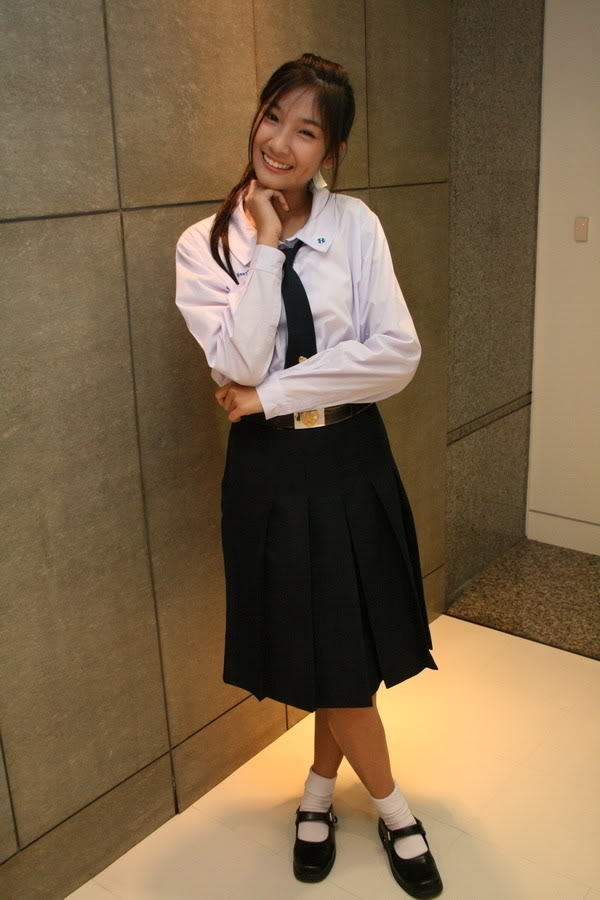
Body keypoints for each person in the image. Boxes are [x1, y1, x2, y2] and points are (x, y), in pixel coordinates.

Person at [175, 52, 443, 897]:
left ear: (332, 151)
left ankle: (322, 795)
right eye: (272, 118)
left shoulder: (355, 225)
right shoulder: (206, 243)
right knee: (328, 643)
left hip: (354, 458)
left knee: (346, 644)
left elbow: (395, 356)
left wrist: (272, 394)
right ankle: (393, 808)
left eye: (307, 131)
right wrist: (262, 247)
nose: (280, 143)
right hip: (273, 474)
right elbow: (234, 359)